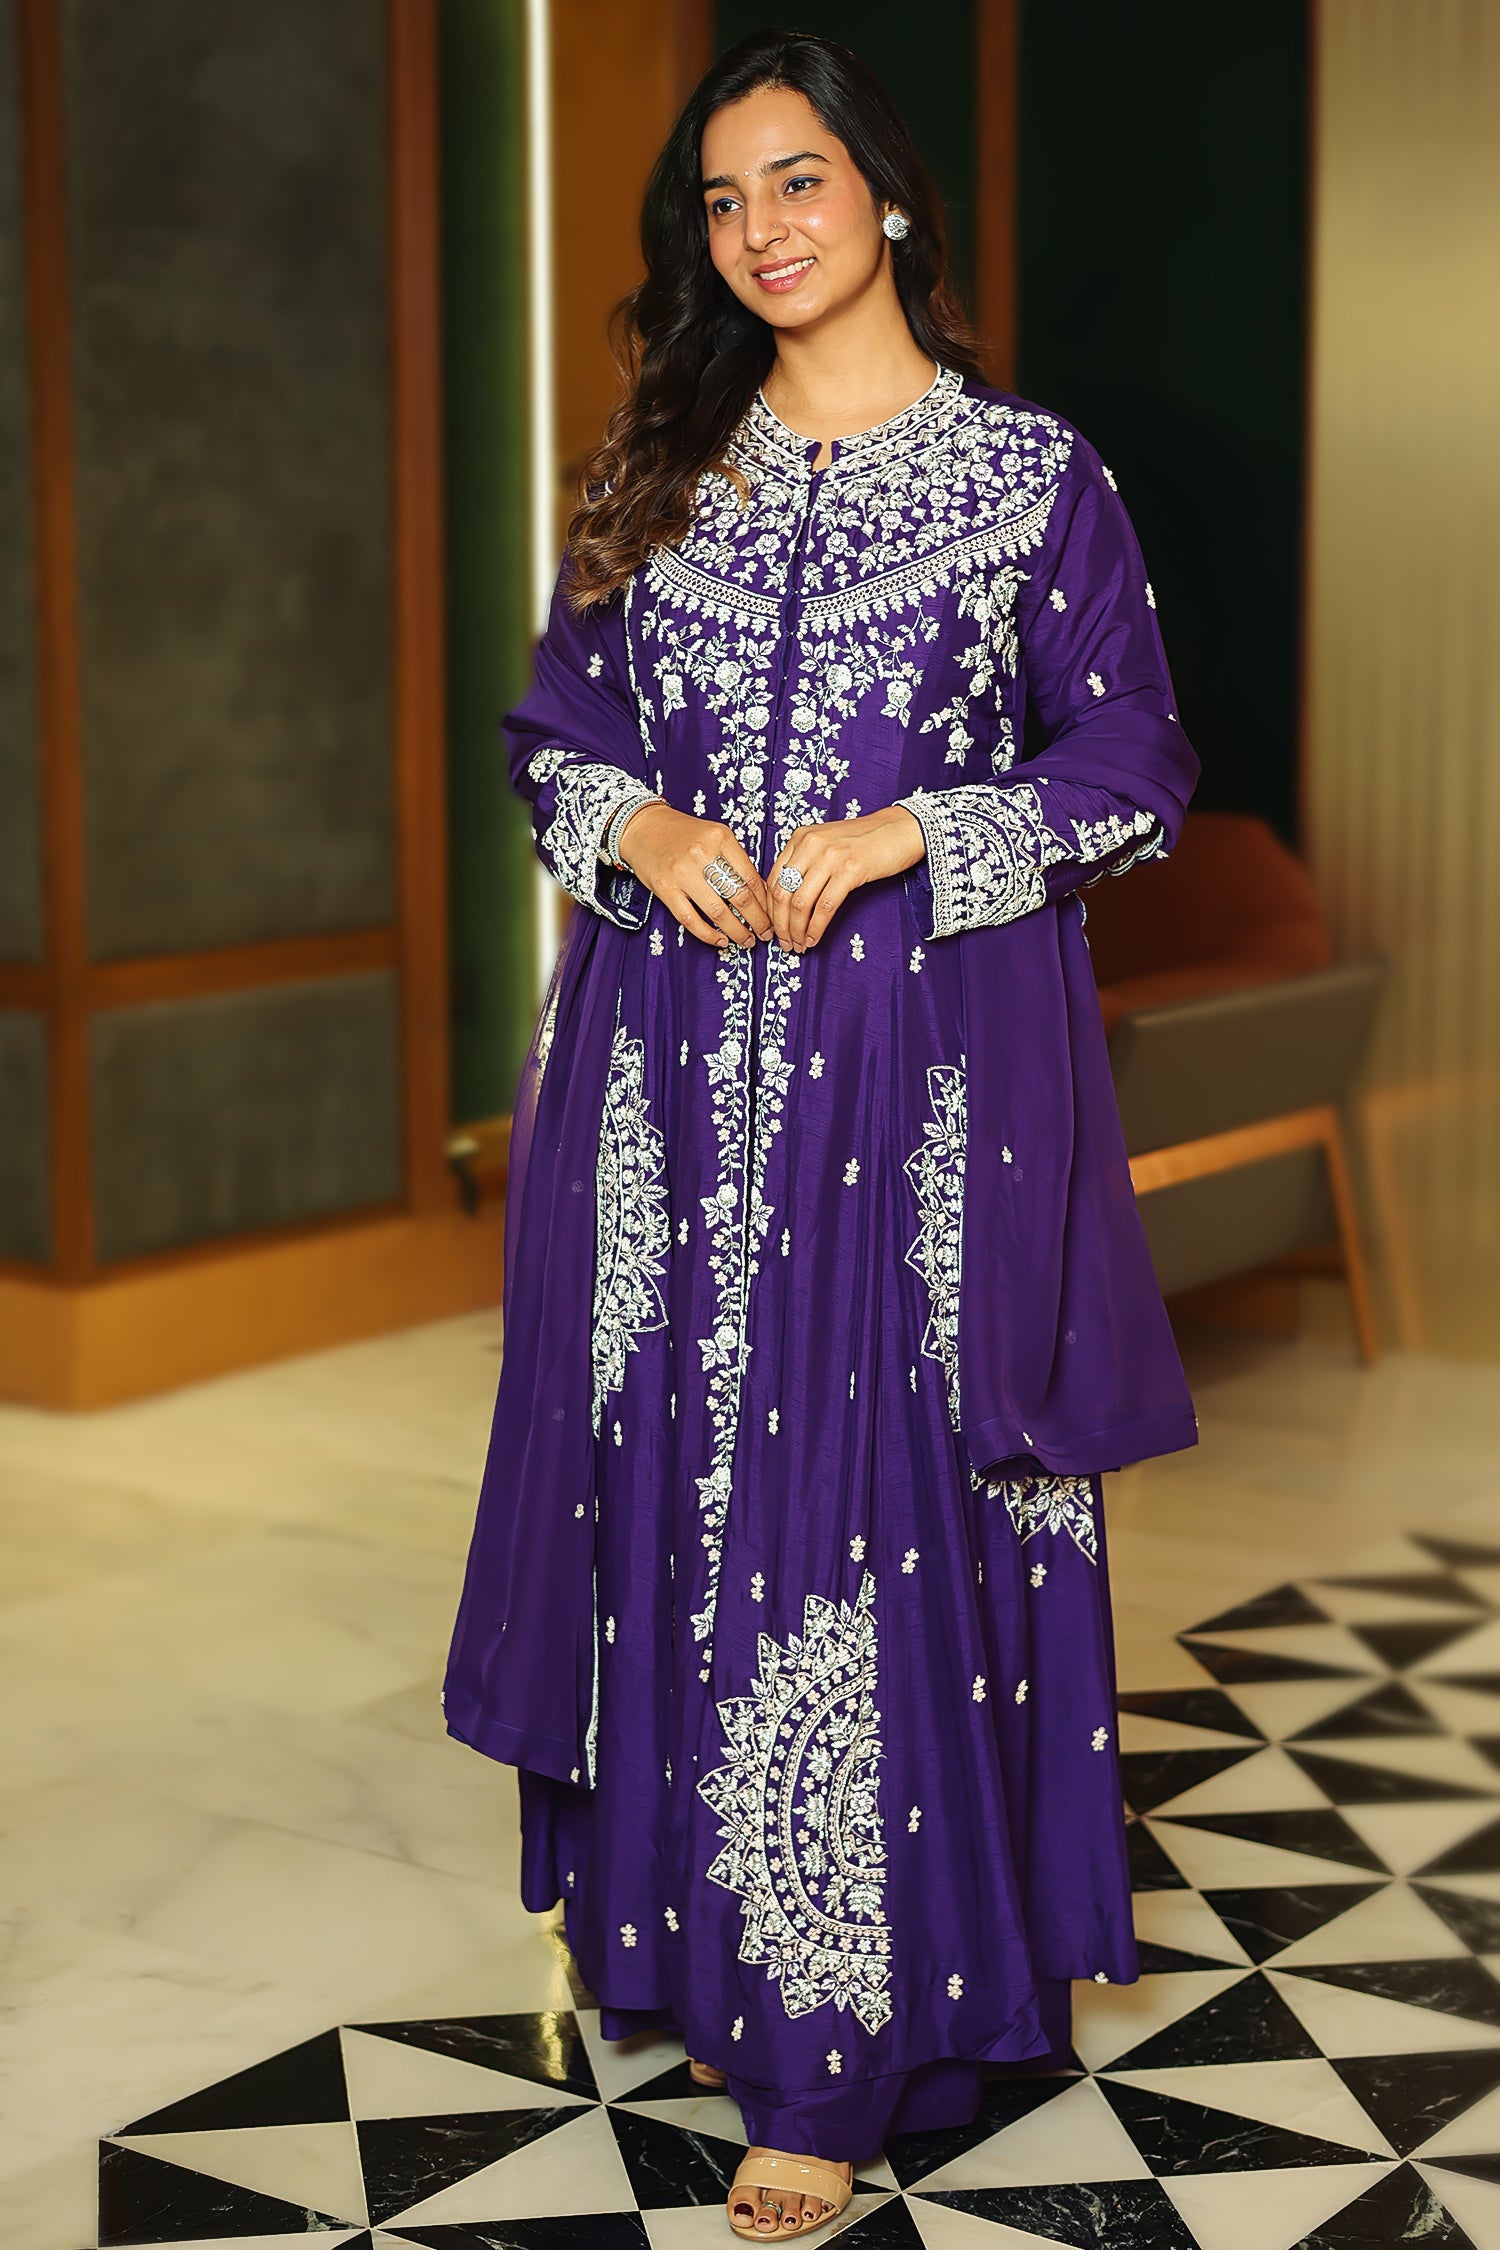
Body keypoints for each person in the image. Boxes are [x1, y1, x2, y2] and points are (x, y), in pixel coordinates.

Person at [444, 26, 1200, 2239]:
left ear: (884, 195)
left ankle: (832, 2048)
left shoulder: (1029, 478)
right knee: (687, 1494)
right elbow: (552, 734)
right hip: (673, 1096)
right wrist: (646, 825)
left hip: (921, 1094)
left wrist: (908, 835)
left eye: (797, 180)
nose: (762, 228)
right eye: (722, 199)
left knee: (869, 1511)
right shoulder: (665, 473)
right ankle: (707, 1959)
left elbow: (1135, 763)